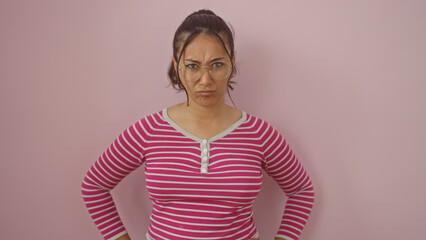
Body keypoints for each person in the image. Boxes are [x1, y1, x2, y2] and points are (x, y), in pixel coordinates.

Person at [81, 9, 315, 240]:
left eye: (217, 64)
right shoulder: (148, 130)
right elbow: (94, 186)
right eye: (193, 65)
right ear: (177, 66)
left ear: (231, 64)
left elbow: (302, 191)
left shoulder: (259, 134)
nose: (206, 80)